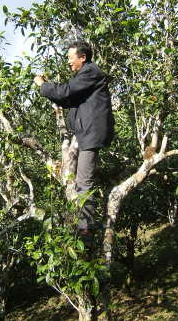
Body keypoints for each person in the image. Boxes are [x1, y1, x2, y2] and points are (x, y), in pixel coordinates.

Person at [34, 41, 114, 243]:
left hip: (91, 134)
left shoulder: (90, 72)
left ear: (83, 57)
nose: (68, 61)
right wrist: (50, 89)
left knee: (83, 182)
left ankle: (85, 230)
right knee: (76, 178)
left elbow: (65, 92)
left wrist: (43, 85)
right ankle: (83, 224)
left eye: (71, 57)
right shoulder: (85, 76)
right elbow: (66, 98)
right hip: (85, 133)